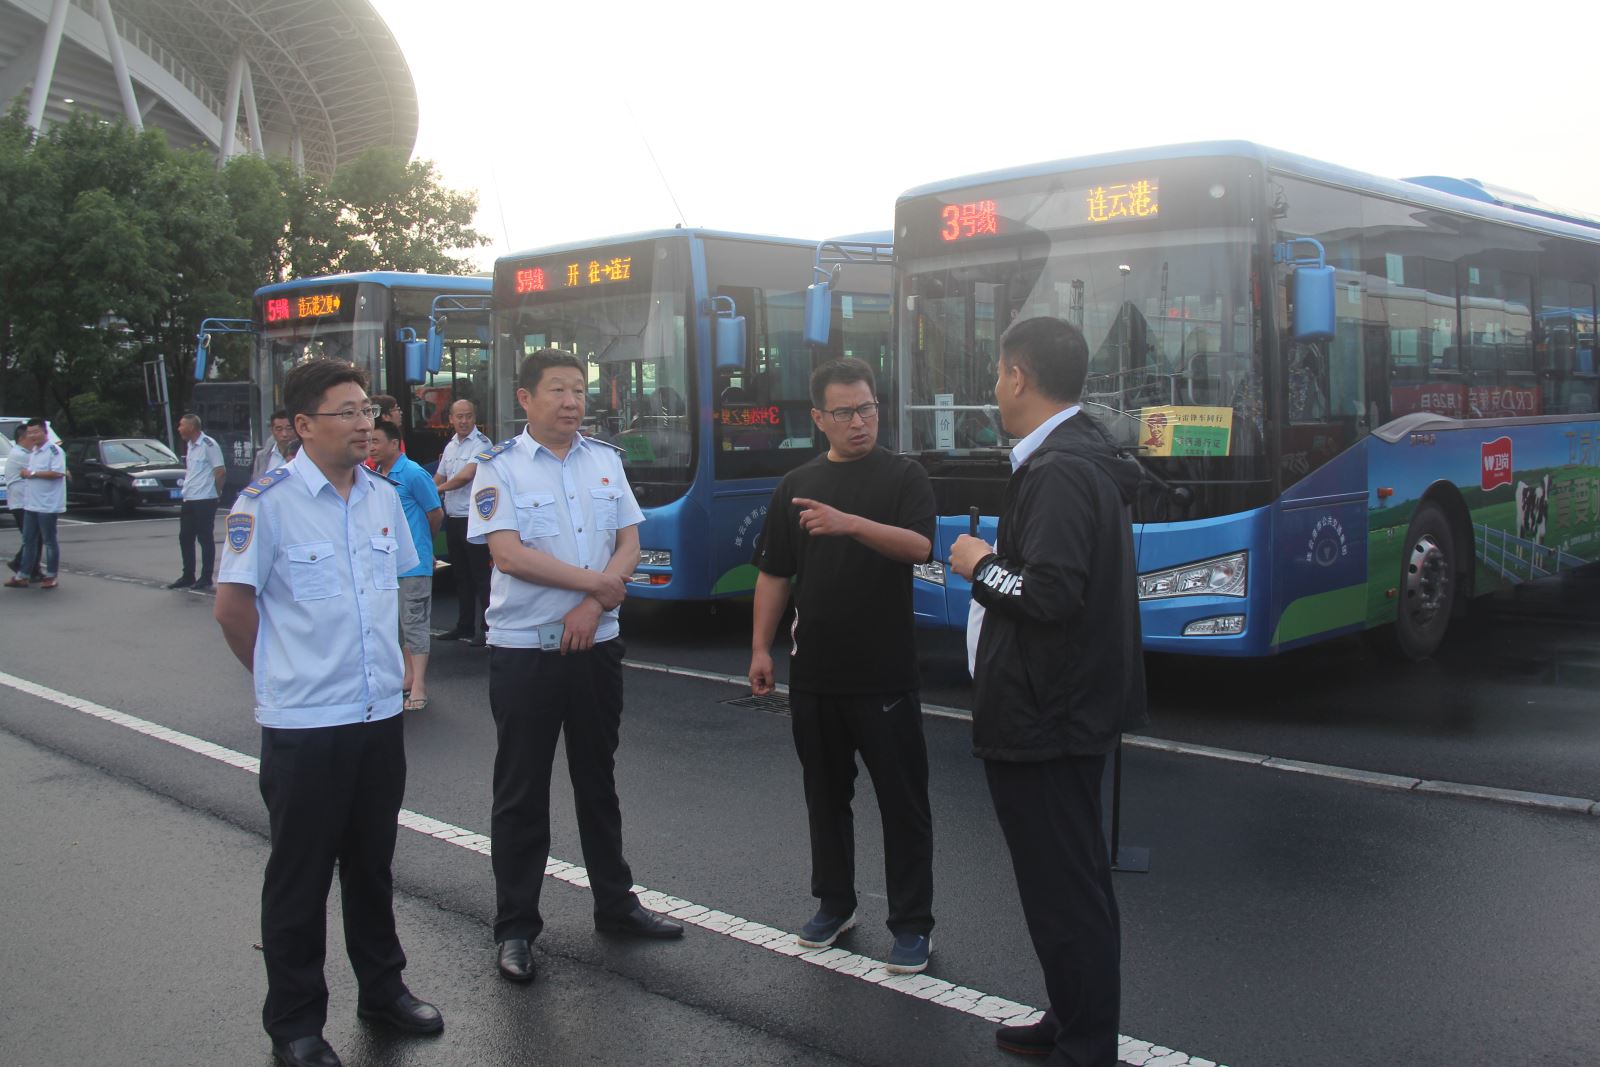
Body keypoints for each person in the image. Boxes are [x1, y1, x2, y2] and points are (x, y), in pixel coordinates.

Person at [213, 359, 442, 1067]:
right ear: (305, 425)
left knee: (372, 866)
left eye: (368, 408)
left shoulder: (379, 497)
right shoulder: (268, 502)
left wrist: (404, 670)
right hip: (306, 726)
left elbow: (399, 588)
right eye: (347, 411)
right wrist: (282, 676)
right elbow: (232, 606)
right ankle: (295, 1025)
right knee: (300, 877)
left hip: (377, 718)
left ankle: (383, 988)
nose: (365, 421)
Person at [948, 317, 1148, 1065]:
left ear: (1019, 377)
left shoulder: (1059, 469)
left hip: (1049, 714)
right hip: (1054, 707)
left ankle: (1087, 1040)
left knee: (1067, 891)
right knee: (1062, 883)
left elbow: (1052, 593)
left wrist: (979, 563)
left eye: (998, 372)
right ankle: (1071, 1013)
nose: (994, 387)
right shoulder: (1067, 456)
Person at [470, 348, 682, 985]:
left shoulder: (605, 461)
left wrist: (592, 604)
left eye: (578, 390)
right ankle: (515, 930)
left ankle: (615, 905)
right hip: (525, 655)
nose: (571, 401)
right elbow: (507, 555)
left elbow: (630, 541)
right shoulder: (497, 469)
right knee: (521, 794)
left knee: (599, 780)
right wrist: (596, 585)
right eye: (557, 390)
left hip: (596, 648)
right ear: (526, 399)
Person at [748, 357, 939, 975]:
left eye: (868, 408)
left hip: (884, 675)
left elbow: (919, 547)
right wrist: (760, 648)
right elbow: (776, 572)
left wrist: (849, 523)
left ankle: (912, 925)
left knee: (902, 802)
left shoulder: (904, 476)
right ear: (819, 419)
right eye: (845, 412)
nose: (860, 422)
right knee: (825, 796)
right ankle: (835, 903)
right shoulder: (795, 484)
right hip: (816, 676)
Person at [368, 420, 443, 712]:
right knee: (395, 625)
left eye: (376, 441)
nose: (371, 446)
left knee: (414, 624)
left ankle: (420, 686)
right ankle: (407, 678)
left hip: (414, 565)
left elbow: (435, 513)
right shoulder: (375, 474)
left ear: (393, 443)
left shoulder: (412, 473)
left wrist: (423, 545)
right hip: (386, 563)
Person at [433, 398, 492, 645]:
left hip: (474, 519)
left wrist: (437, 490)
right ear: (451, 419)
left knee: (481, 577)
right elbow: (441, 474)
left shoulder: (481, 444)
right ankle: (464, 626)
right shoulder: (451, 446)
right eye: (459, 416)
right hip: (455, 518)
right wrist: (431, 489)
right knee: (461, 576)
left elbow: (466, 476)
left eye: (468, 416)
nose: (464, 420)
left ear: (474, 418)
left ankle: (488, 627)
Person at [169, 413, 226, 591]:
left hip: (205, 498)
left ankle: (206, 577)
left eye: (181, 425)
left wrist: (216, 492)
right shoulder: (190, 445)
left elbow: (220, 470)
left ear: (191, 427)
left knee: (205, 538)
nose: (179, 429)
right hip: (190, 497)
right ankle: (188, 575)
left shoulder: (208, 444)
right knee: (185, 537)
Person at [6, 419, 65, 590]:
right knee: (29, 540)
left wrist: (32, 473)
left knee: (49, 541)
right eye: (30, 432)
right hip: (30, 503)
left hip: (47, 504)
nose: (33, 435)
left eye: (36, 432)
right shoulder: (33, 452)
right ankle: (23, 575)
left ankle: (51, 576)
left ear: (45, 432)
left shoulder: (54, 451)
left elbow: (57, 472)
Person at [6, 422, 43, 580]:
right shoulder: (21, 455)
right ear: (22, 438)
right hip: (21, 503)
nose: (34, 439)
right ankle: (28, 568)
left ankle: (25, 565)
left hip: (24, 502)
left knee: (34, 536)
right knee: (33, 537)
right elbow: (41, 469)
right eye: (31, 436)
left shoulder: (22, 453)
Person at [252, 410, 297, 478]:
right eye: (279, 429)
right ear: (272, 431)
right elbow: (254, 484)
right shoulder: (262, 456)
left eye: (289, 428)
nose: (284, 434)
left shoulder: (308, 454)